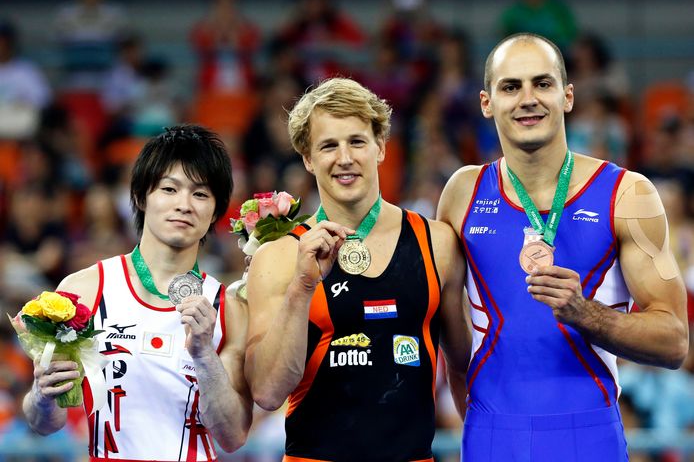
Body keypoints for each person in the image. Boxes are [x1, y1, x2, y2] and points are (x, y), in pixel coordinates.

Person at [437, 33, 689, 461]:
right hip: (491, 433)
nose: (528, 99)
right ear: (486, 103)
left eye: (543, 83)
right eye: (510, 87)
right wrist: (482, 420)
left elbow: (674, 342)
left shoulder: (628, 195)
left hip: (589, 433)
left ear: (568, 95)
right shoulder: (462, 192)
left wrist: (586, 313)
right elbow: (451, 332)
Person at [244, 77, 470, 461]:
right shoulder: (280, 255)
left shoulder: (438, 243)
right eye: (328, 145)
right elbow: (266, 392)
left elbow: (464, 367)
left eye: (357, 141)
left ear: (381, 147)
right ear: (307, 158)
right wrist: (302, 285)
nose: (345, 157)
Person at [22, 124, 253, 460]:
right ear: (142, 195)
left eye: (200, 194)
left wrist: (204, 355)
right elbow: (44, 422)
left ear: (216, 211)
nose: (184, 205)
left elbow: (233, 436)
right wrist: (42, 395)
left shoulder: (229, 309)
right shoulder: (82, 292)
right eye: (169, 189)